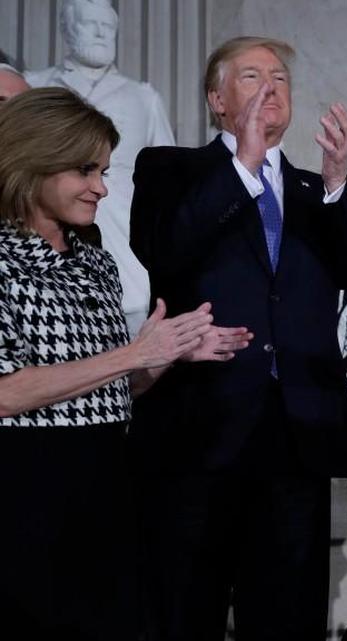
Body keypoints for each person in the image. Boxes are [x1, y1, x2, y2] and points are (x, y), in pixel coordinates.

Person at [128, 36, 347, 641]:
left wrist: (338, 180)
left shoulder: (311, 190)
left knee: (288, 618)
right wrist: (242, 167)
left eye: (280, 78)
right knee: (185, 612)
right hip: (200, 431)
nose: (270, 86)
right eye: (251, 76)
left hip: (295, 438)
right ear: (217, 99)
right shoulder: (169, 169)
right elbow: (165, 248)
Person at [0, 87, 247, 639]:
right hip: (26, 491)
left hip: (112, 481)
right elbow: (5, 393)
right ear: (32, 159)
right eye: (85, 170)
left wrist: (166, 357)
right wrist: (134, 352)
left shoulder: (95, 262)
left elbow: (114, 386)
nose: (101, 188)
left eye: (104, 170)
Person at [27, 0, 176, 336]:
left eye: (107, 27)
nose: (100, 33)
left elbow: (167, 182)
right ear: (66, 29)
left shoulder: (143, 97)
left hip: (125, 240)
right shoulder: (34, 85)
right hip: (47, 238)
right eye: (89, 24)